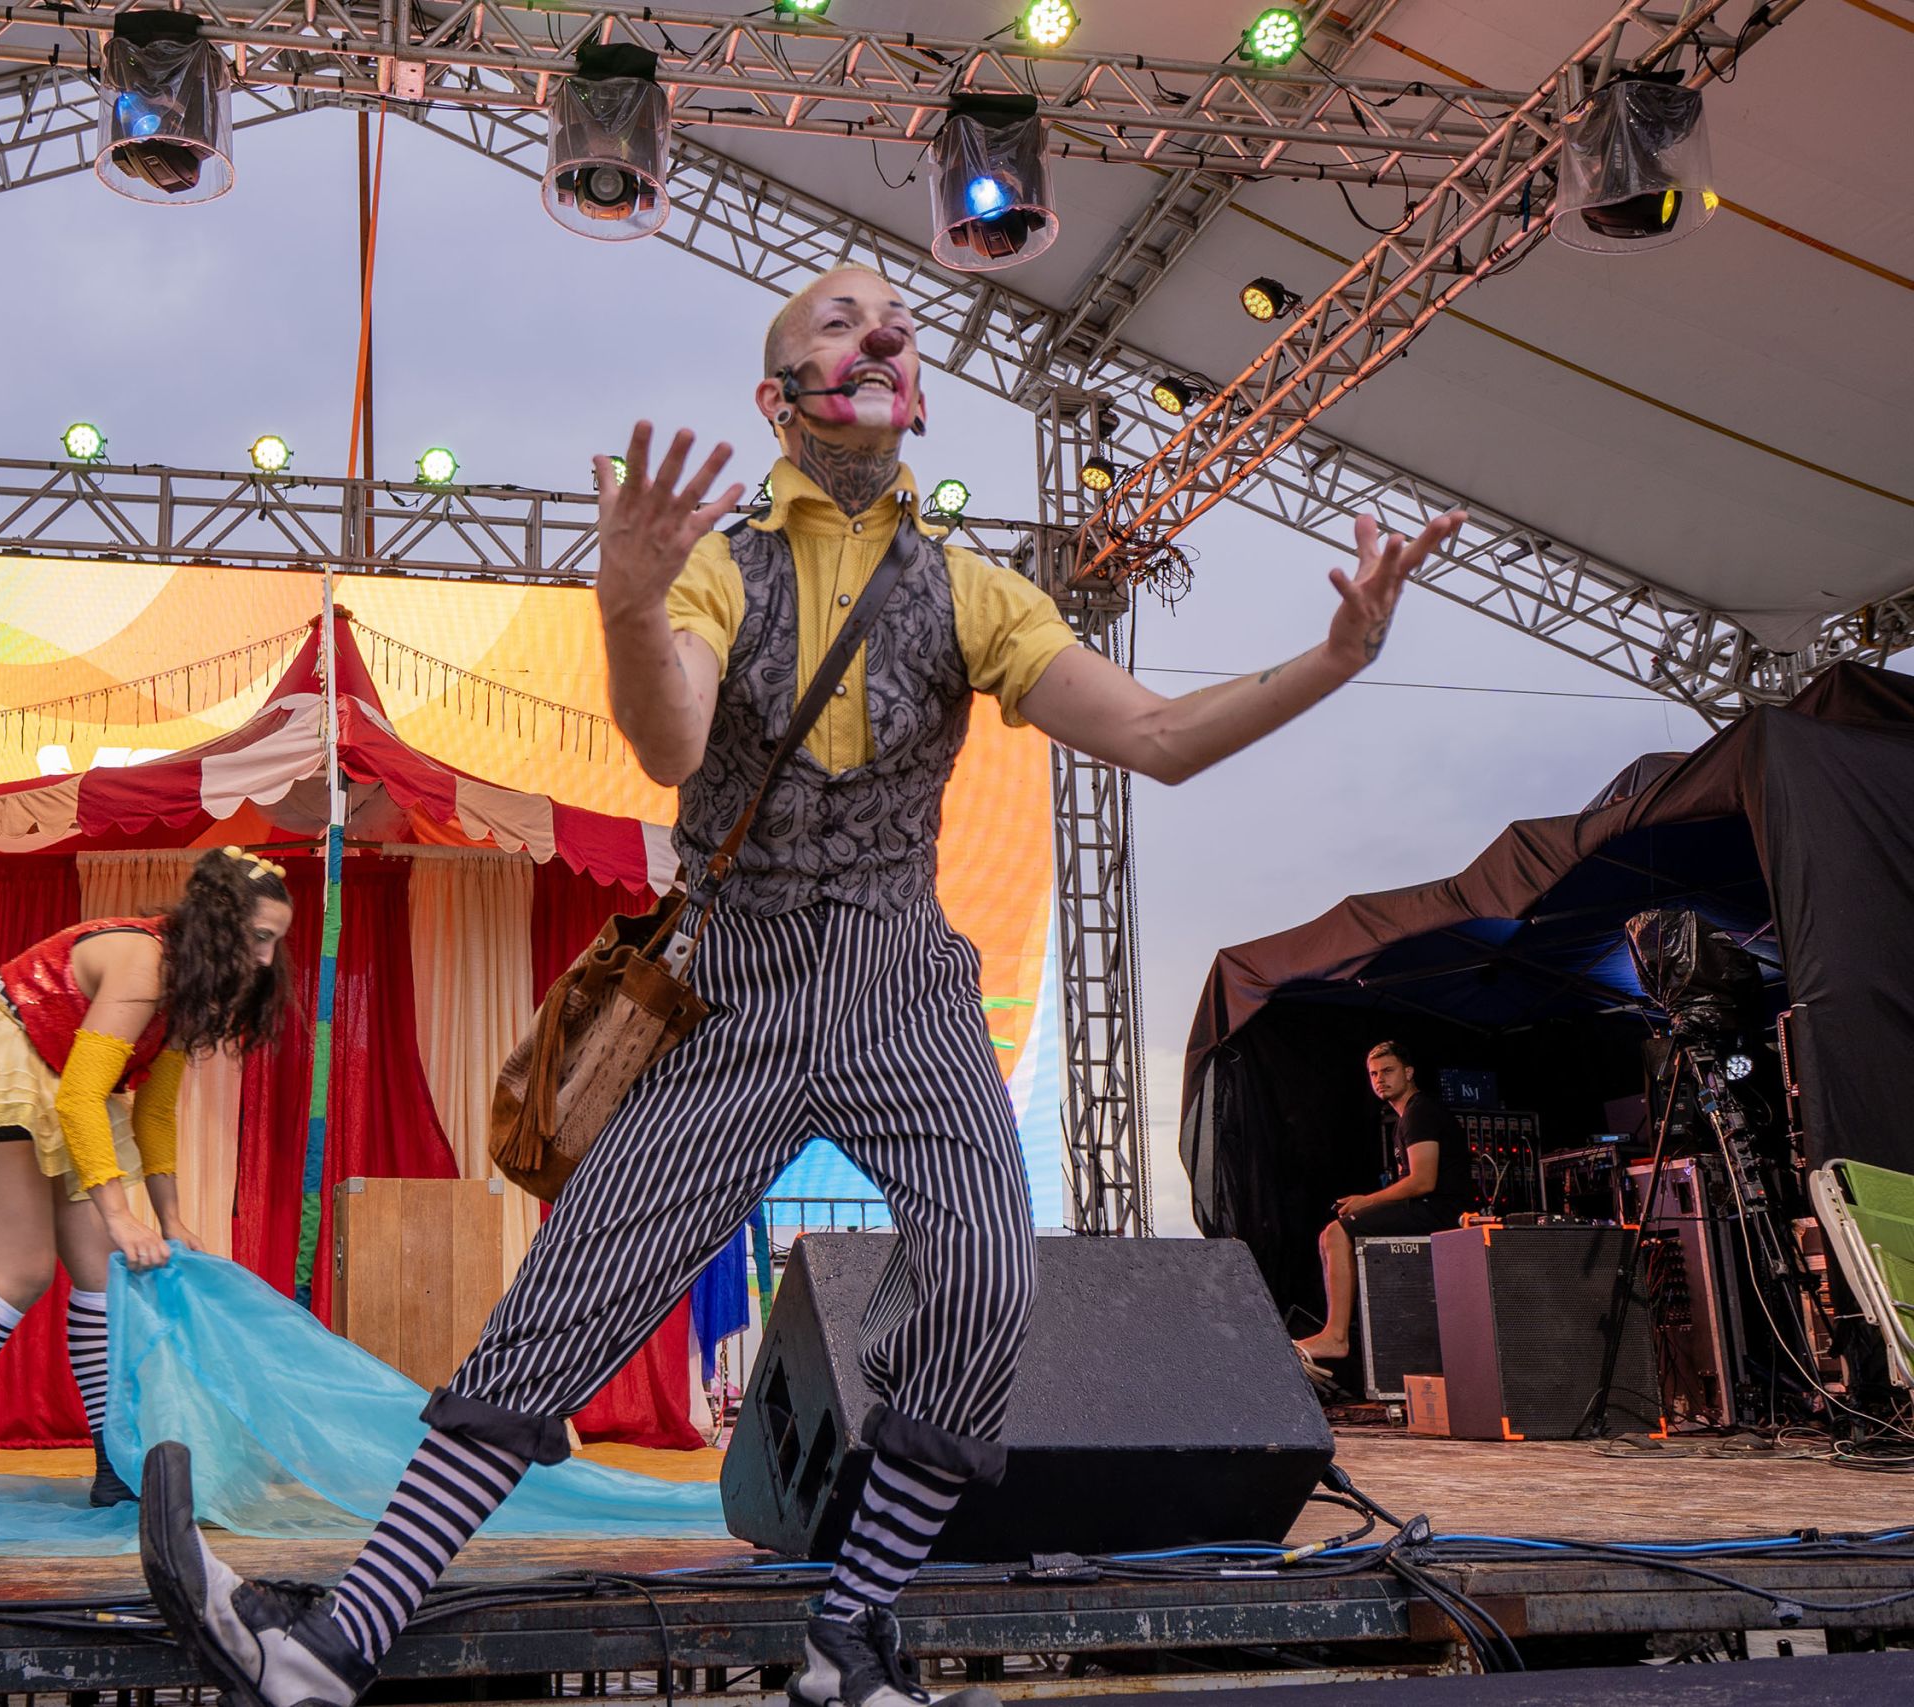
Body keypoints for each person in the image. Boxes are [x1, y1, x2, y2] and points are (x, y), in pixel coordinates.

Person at [136, 263, 1464, 1707]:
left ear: (917, 395)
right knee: (578, 1287)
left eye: (892, 321)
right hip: (744, 978)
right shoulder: (719, 564)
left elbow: (1153, 732)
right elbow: (668, 736)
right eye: (838, 321)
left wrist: (1336, 655)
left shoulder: (972, 589)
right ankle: (339, 1640)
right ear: (780, 398)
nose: (878, 330)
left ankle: (850, 1632)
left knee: (984, 1272)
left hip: (905, 973)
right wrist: (632, 603)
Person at [0, 847, 293, 1503]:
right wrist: (122, 1215)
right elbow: (81, 1099)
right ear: (221, 921)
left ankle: (111, 1466)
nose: (266, 959)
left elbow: (151, 1108)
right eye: (260, 938)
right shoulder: (144, 960)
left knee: (103, 1275)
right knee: (23, 1269)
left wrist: (170, 1214)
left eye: (275, 942)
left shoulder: (190, 986)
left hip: (62, 1083)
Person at [1293, 1040, 1478, 1368]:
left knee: (1335, 1234)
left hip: (1441, 1212)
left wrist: (1367, 1201)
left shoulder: (1419, 1112)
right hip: (1429, 1208)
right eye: (1374, 1074)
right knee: (1332, 1235)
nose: (1380, 1079)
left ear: (1408, 1072)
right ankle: (1340, 1333)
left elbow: (1424, 1181)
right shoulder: (1407, 1117)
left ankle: (1335, 1337)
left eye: (1388, 1071)